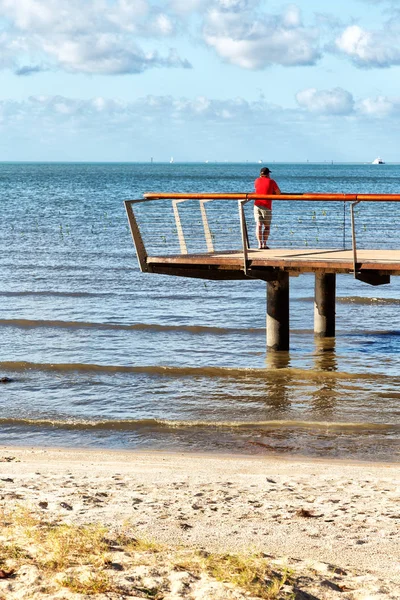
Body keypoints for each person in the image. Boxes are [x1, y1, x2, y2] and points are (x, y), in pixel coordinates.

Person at [253, 167, 281, 249]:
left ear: (260, 174)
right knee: (267, 226)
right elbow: (278, 193)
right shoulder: (271, 181)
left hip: (257, 204)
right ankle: (264, 244)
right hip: (266, 206)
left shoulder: (256, 180)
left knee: (258, 225)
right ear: (268, 174)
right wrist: (272, 192)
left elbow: (259, 189)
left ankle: (259, 244)